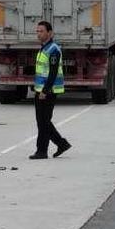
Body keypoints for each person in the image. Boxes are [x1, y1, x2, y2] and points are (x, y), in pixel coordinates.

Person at [29, 21, 71, 160]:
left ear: (50, 33)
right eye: (37, 31)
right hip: (40, 90)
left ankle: (42, 151)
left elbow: (52, 73)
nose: (38, 34)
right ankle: (61, 144)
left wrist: (45, 91)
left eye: (41, 31)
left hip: (49, 91)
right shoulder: (44, 48)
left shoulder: (53, 49)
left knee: (43, 121)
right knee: (43, 121)